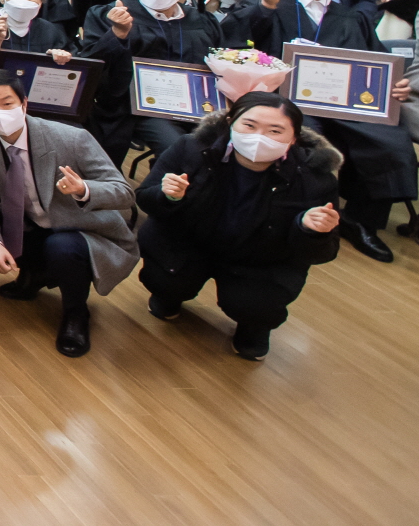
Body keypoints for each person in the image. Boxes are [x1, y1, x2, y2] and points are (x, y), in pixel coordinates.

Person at [227, 0, 416, 263]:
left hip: (344, 104)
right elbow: (234, 44)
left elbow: (376, 61)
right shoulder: (267, 1)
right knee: (309, 135)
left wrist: (393, 84)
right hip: (281, 97)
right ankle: (294, 214)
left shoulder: (351, 17)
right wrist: (264, 8)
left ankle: (361, 221)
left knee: (390, 137)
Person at [135, 92, 342, 359]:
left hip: (261, 259)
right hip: (191, 243)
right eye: (249, 125)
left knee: (255, 306)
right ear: (230, 122)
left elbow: (324, 252)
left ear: (294, 137)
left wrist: (312, 231)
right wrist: (168, 197)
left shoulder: (315, 176)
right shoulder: (191, 148)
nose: (259, 137)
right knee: (166, 280)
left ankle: (254, 327)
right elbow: (145, 198)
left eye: (275, 131)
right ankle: (169, 295)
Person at [0, 69, 138, 357]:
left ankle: (76, 313)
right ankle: (32, 275)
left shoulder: (72, 138)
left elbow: (124, 192)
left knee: (62, 247)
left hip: (81, 228)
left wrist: (83, 189)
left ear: (24, 103)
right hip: (29, 224)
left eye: (7, 103)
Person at [76, 0, 227, 166]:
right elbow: (92, 64)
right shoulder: (110, 13)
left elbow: (219, 60)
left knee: (225, 144)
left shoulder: (202, 21)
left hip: (196, 107)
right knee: (178, 146)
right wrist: (117, 34)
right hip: (134, 108)